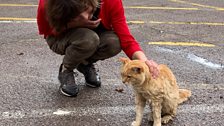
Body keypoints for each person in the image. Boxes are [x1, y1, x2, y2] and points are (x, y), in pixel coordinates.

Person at [37, 0, 159, 97]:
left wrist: (144, 62)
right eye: (77, 16)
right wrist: (75, 24)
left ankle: (85, 63)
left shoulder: (111, 2)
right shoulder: (48, 4)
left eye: (89, 11)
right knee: (88, 39)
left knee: (114, 42)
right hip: (59, 38)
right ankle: (66, 69)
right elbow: (46, 30)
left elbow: (126, 39)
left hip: (90, 37)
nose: (86, 17)